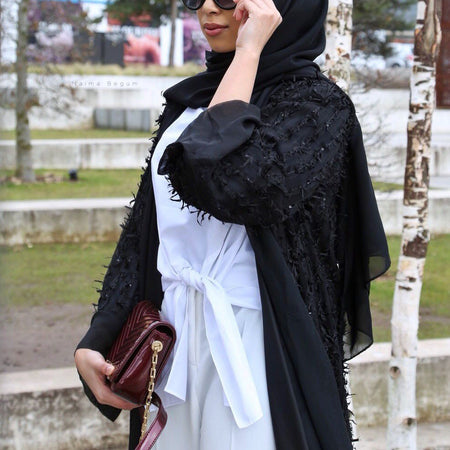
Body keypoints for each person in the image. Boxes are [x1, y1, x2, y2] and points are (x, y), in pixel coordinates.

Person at [74, 0, 391, 447]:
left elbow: (228, 184)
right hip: (174, 339)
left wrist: (248, 54)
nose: (207, 8)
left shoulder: (318, 109)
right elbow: (145, 230)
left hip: (258, 343)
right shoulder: (187, 103)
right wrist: (100, 334)